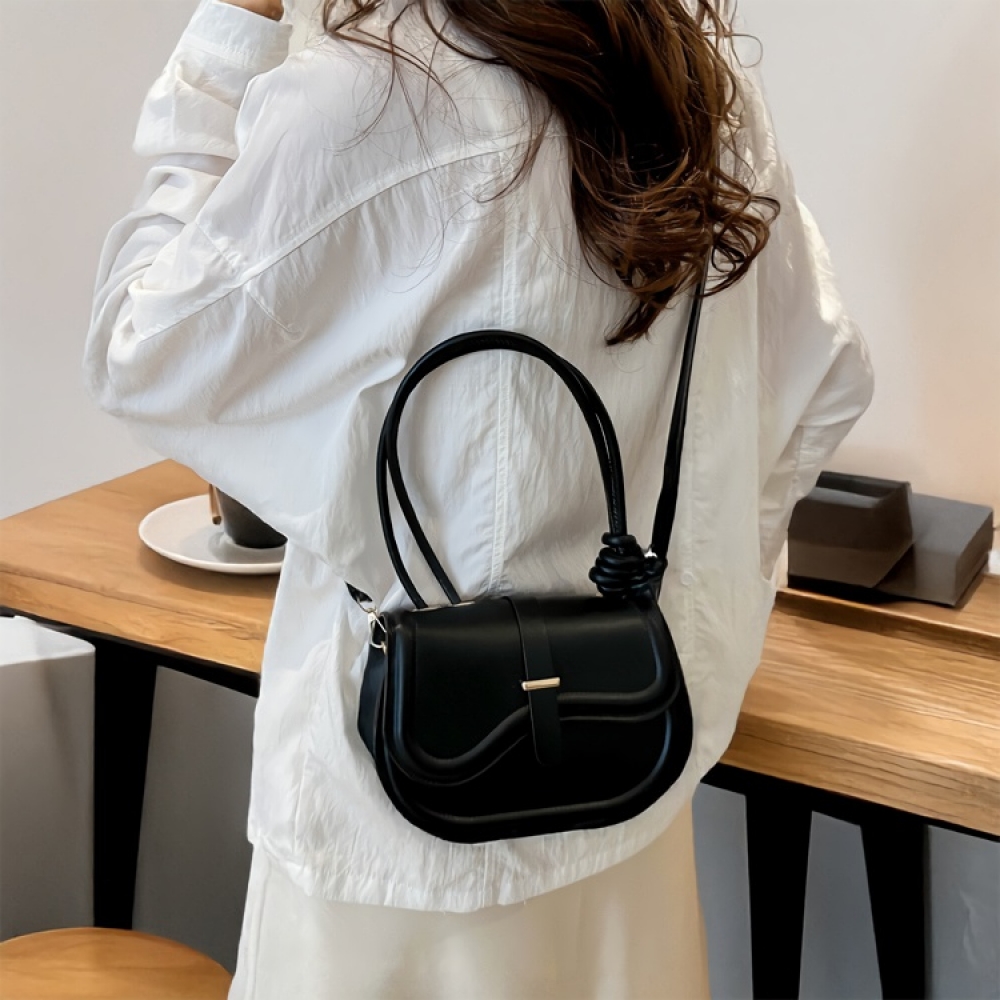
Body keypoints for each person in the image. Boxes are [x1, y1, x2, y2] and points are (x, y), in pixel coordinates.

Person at [83, 0, 873, 996]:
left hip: (400, 820)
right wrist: (681, 617)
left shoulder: (366, 96)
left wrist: (231, 32)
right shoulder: (690, 80)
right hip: (626, 775)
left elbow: (137, 347)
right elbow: (819, 384)